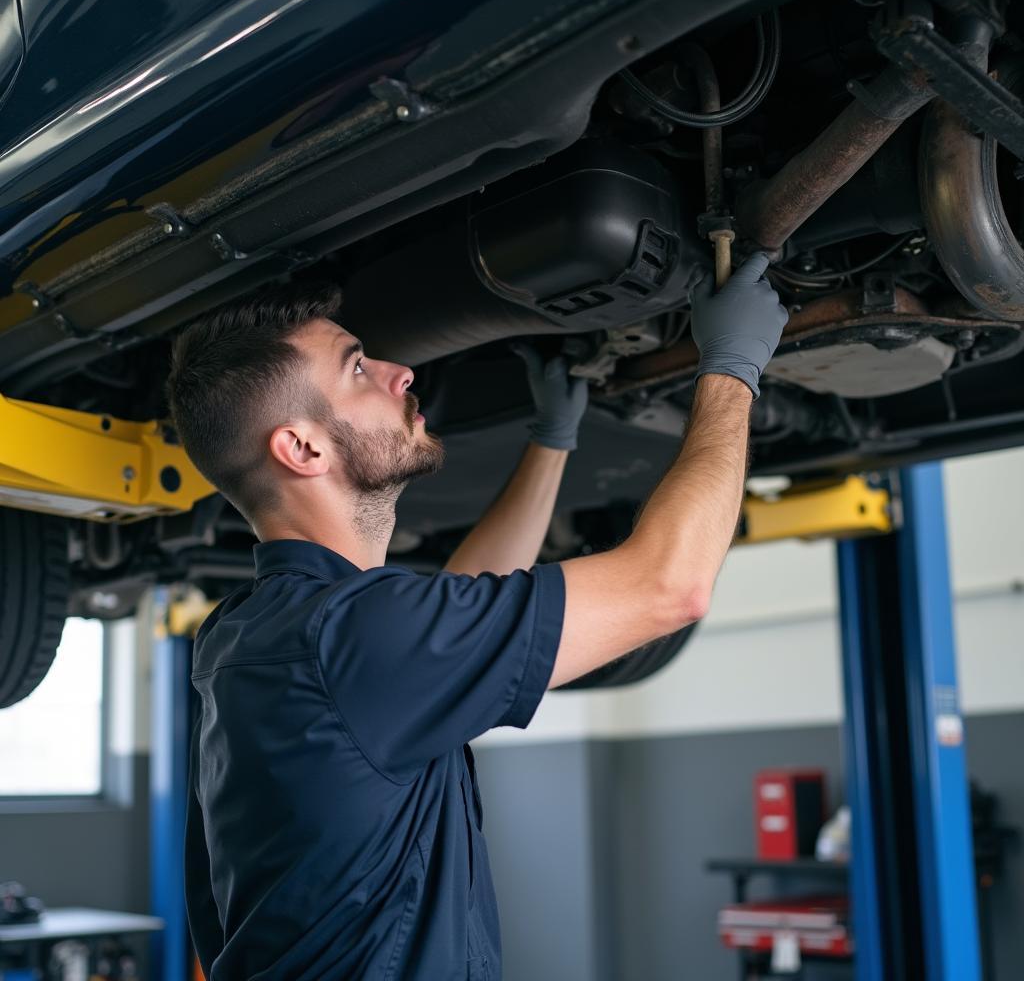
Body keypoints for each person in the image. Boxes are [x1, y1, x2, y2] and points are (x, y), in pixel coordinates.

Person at [166, 251, 786, 980]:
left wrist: (552, 441)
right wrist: (734, 368)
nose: (400, 373)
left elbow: (460, 604)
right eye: (358, 368)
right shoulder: (353, 637)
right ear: (302, 447)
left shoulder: (251, 634)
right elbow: (667, 586)